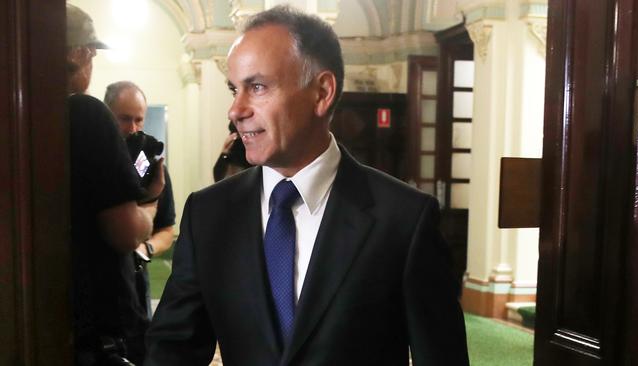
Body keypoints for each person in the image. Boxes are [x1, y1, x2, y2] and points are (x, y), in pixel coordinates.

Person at [145, 5, 468, 366]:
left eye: (257, 86)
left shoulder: (405, 219)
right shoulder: (208, 214)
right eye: (234, 89)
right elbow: (172, 351)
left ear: (321, 92)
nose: (236, 110)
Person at [67, 5, 164, 365]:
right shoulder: (85, 113)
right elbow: (125, 233)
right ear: (81, 53)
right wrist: (150, 204)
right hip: (96, 335)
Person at [104, 81, 177, 319]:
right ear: (107, 116)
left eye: (139, 120)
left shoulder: (153, 170)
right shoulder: (93, 161)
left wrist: (145, 249)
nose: (133, 129)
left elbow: (167, 229)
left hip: (135, 281)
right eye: (124, 119)